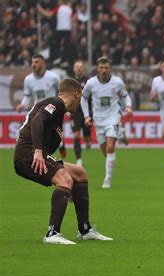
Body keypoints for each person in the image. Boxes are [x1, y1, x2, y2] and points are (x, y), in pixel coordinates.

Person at [13, 78, 112, 244]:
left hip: (35, 153)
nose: (79, 104)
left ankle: (84, 229)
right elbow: (38, 120)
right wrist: (37, 150)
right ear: (76, 93)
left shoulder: (58, 111)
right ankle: (52, 233)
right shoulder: (56, 103)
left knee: (79, 174)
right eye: (80, 99)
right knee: (65, 179)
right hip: (29, 154)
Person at [81, 57, 133, 188]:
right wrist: (87, 116)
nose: (104, 70)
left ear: (110, 69)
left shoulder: (117, 82)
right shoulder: (91, 83)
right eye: (101, 68)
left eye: (106, 68)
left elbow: (125, 96)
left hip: (113, 117)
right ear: (97, 69)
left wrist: (128, 107)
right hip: (98, 120)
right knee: (106, 152)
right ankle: (120, 133)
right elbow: (83, 98)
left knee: (110, 147)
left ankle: (107, 179)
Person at [16, 54, 67, 159]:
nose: (34, 64)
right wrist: (22, 105)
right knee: (40, 132)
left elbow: (60, 92)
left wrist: (62, 106)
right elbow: (27, 96)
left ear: (43, 63)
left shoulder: (53, 77)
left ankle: (58, 145)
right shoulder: (28, 79)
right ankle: (47, 152)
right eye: (33, 62)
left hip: (52, 109)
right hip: (38, 110)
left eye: (37, 62)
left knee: (50, 133)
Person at [70, 59, 91, 166]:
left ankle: (87, 141)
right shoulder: (70, 82)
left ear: (83, 69)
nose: (79, 68)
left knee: (87, 134)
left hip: (87, 112)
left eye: (81, 66)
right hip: (75, 113)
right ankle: (79, 159)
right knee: (77, 135)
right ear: (74, 69)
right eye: (77, 66)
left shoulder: (88, 81)